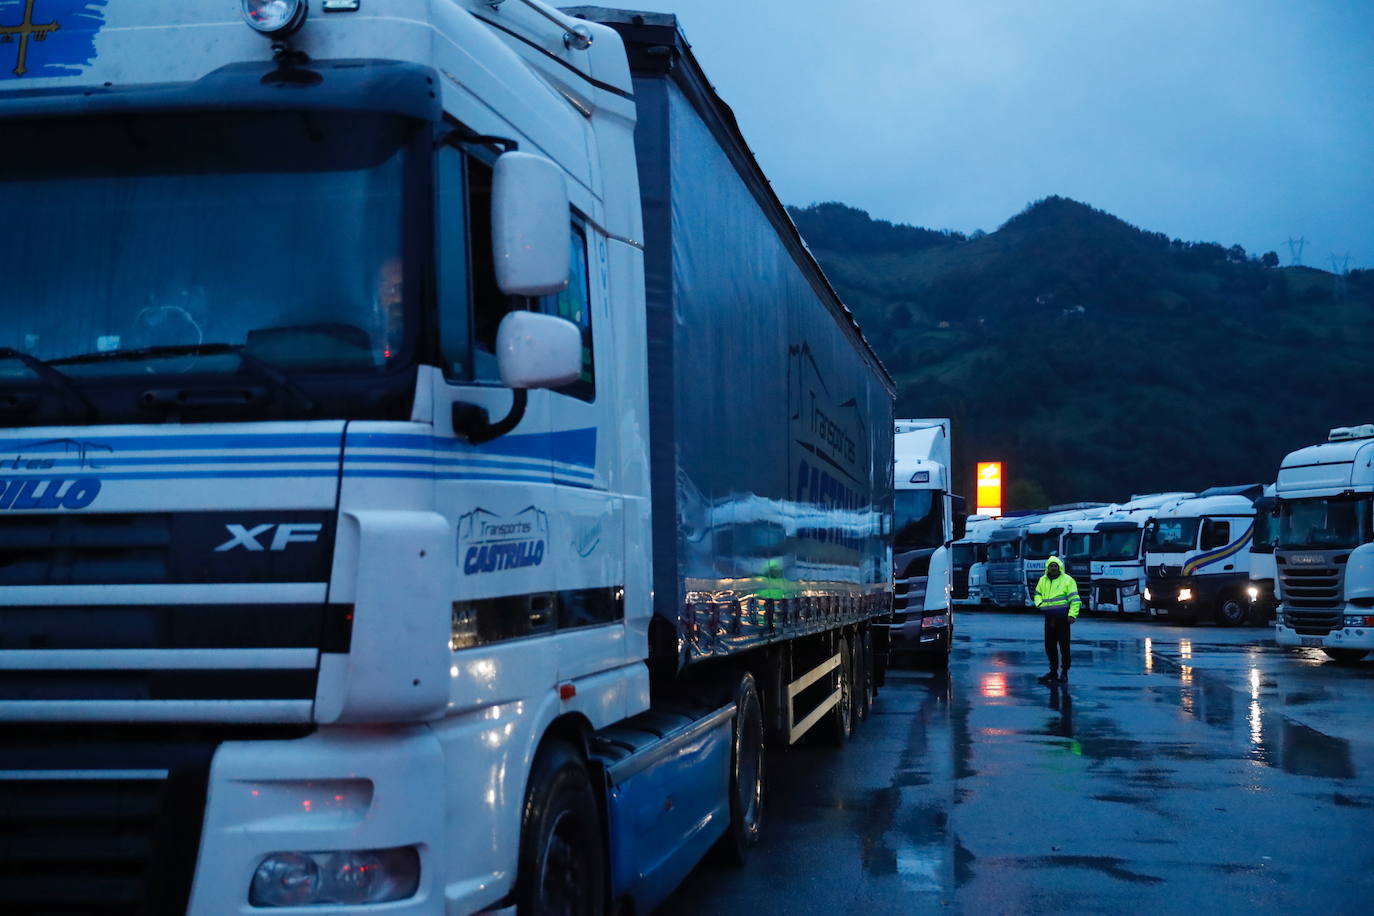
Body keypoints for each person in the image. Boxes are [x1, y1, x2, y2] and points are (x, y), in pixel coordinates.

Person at [1034, 555, 1081, 684]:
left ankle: (1064, 672)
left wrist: (1072, 615)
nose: (1053, 568)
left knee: (1064, 647)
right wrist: (1040, 605)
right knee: (1049, 646)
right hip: (1049, 618)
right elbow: (1037, 595)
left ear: (1059, 567)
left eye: (1055, 566)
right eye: (1051, 566)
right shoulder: (1042, 580)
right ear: (1047, 568)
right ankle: (1053, 672)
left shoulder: (1067, 580)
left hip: (1063, 619)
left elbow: (1075, 600)